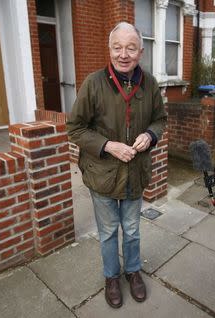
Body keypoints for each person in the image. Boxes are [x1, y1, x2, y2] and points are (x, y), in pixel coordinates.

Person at [67, 22, 167, 308]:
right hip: (102, 174)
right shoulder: (93, 83)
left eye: (131, 48)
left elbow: (160, 120)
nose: (124, 54)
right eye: (117, 47)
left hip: (135, 173)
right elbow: (74, 128)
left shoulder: (150, 84)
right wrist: (108, 145)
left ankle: (133, 271)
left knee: (133, 230)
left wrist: (150, 135)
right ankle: (112, 277)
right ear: (109, 49)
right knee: (109, 231)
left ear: (141, 51)